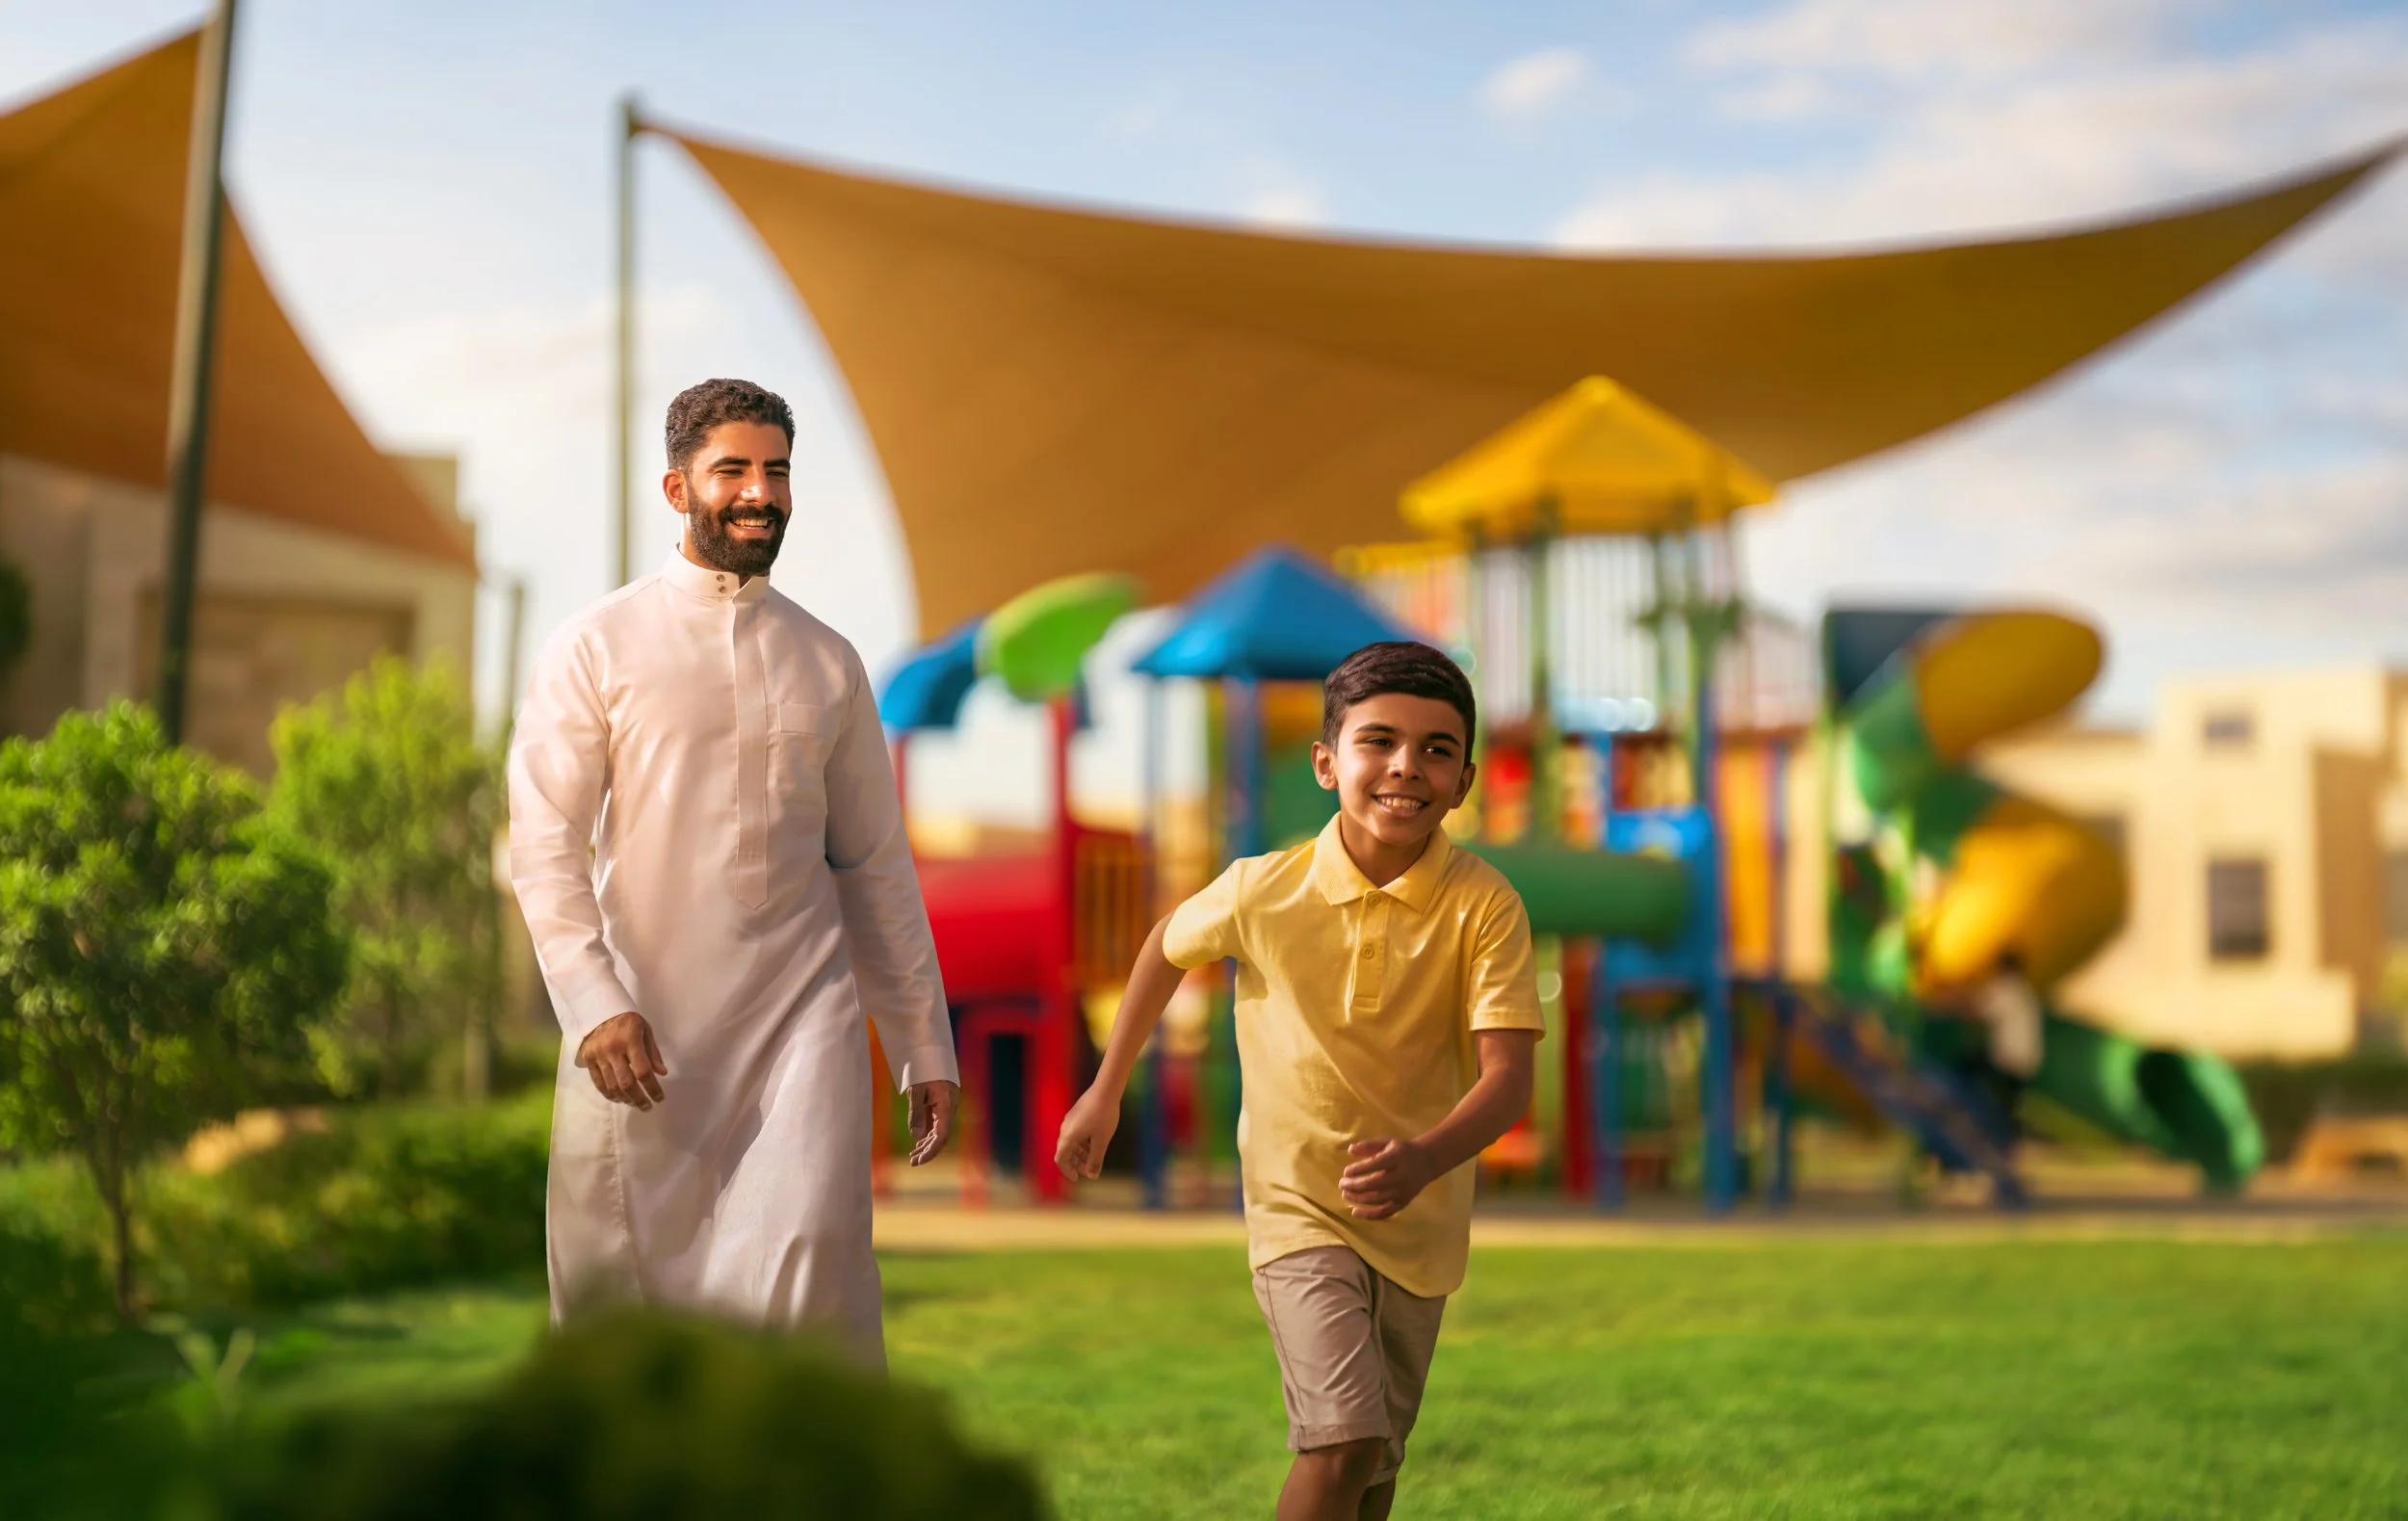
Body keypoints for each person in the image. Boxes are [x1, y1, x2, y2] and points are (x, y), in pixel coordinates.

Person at [509, 377, 957, 1366]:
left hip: (803, 1017)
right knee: (628, 1314)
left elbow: (875, 862)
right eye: (734, 471)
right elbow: (544, 843)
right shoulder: (595, 644)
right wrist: (594, 1000)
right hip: (645, 1028)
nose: (760, 492)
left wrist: (922, 1039)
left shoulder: (829, 660)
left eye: (777, 472)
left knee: (809, 1259)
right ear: (678, 490)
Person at [1056, 641, 1543, 1521]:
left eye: (1437, 749)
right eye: (1379, 741)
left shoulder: (1487, 906)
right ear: (1328, 762)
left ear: (1465, 780)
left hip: (1419, 1225)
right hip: (1297, 1209)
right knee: (1343, 1439)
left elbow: (1509, 1083)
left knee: (1374, 1474)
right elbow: (1167, 945)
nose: (1407, 766)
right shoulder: (1260, 889)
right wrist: (1105, 1085)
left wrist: (1423, 1158)